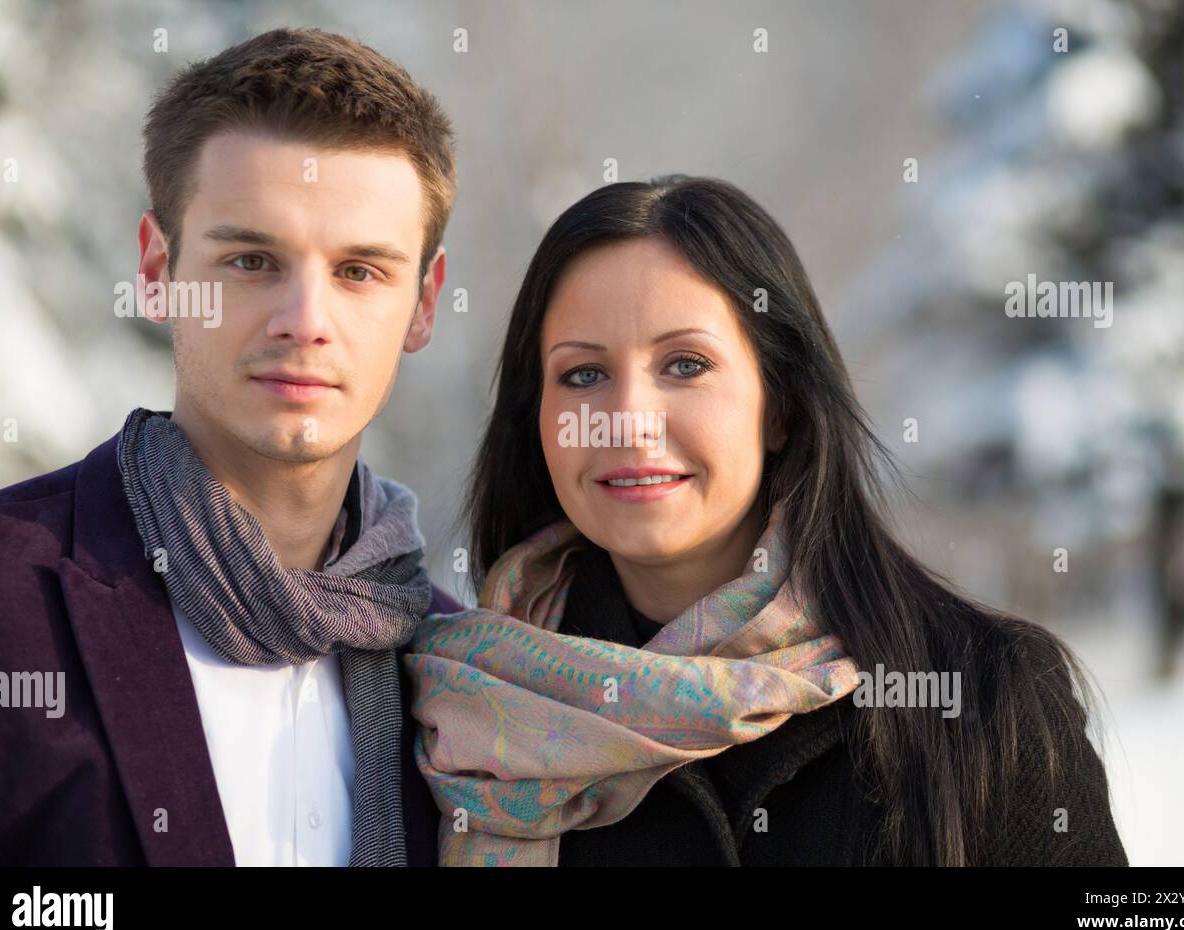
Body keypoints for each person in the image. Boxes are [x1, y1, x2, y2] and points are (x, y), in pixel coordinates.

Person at [404, 174, 1130, 866]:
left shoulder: (979, 698)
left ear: (780, 406)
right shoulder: (457, 717)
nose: (625, 423)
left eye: (685, 365)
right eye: (583, 375)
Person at [0, 28, 460, 866]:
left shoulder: (458, 668)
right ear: (158, 269)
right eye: (253, 259)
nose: (305, 320)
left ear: (423, 303)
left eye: (360, 272)